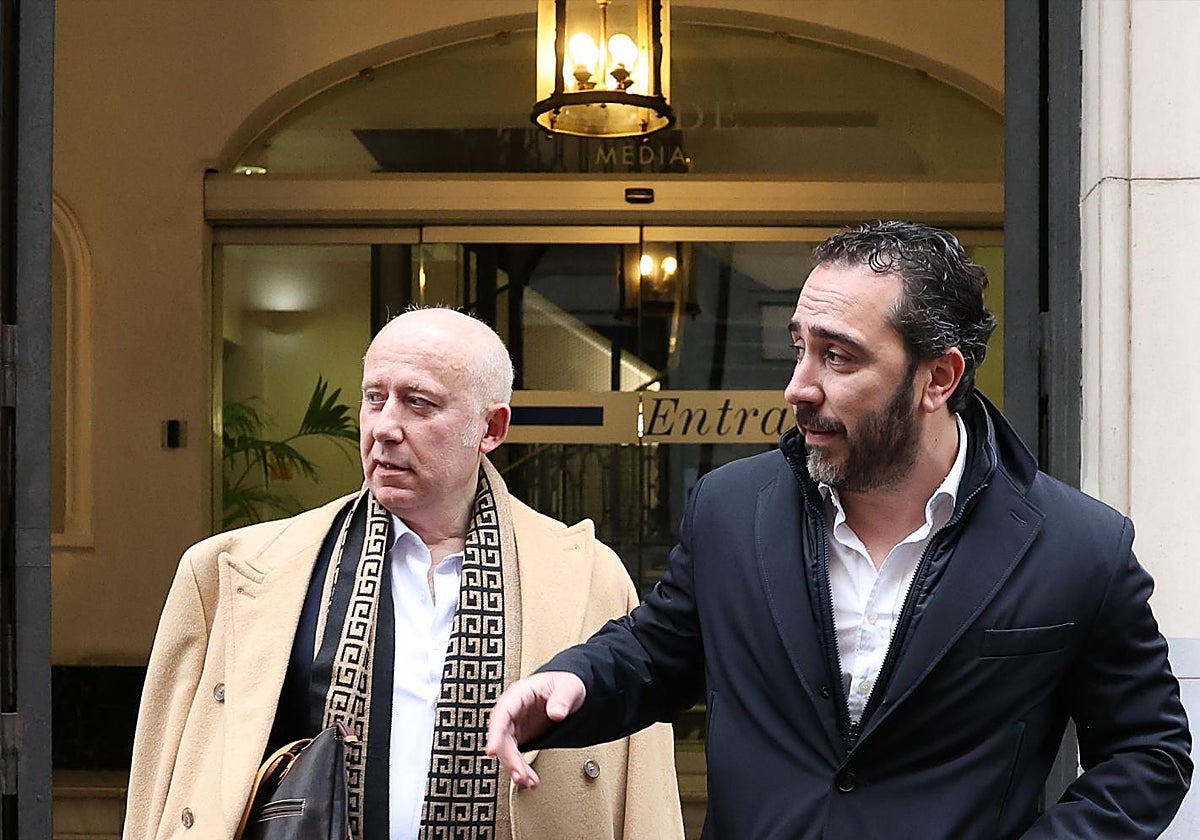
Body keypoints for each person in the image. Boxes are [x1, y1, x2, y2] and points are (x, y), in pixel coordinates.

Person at [487, 221, 1193, 839]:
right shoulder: (731, 508)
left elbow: (1148, 752)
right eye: (800, 347)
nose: (798, 385)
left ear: (938, 378)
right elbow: (659, 652)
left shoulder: (1078, 545)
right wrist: (573, 680)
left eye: (838, 356)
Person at [123, 307, 684, 840]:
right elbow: (162, 788)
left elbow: (646, 801)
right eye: (374, 398)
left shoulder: (588, 577)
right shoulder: (236, 573)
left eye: (418, 403)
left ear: (491, 428)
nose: (385, 426)